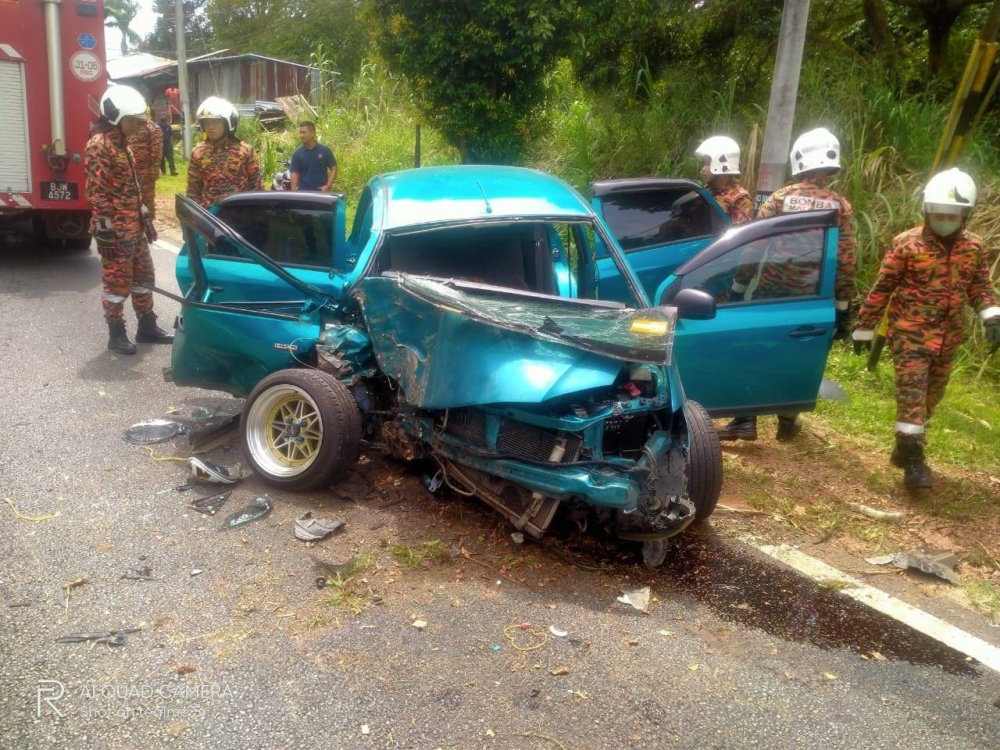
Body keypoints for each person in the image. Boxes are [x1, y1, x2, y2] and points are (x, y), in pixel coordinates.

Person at [853, 169, 1000, 489]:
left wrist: (992, 315)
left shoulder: (974, 247)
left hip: (949, 338)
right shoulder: (906, 244)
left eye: (952, 214)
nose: (943, 219)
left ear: (965, 214)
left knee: (932, 397)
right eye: (938, 213)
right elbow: (883, 287)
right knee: (912, 397)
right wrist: (864, 327)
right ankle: (914, 461)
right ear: (926, 211)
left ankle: (904, 446)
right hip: (910, 335)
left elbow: (980, 287)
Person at [717, 127, 856, 443]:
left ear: (799, 160)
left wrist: (740, 285)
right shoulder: (840, 206)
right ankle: (788, 420)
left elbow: (755, 245)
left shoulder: (780, 199)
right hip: (812, 295)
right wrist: (843, 306)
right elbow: (846, 260)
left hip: (772, 293)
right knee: (799, 356)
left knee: (756, 350)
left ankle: (745, 418)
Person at [85, 85, 173, 355]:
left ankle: (146, 327)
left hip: (134, 226)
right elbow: (96, 193)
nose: (136, 126)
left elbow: (133, 187)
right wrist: (104, 232)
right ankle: (116, 333)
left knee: (144, 276)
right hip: (116, 230)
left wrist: (145, 217)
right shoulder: (99, 146)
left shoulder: (123, 145)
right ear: (116, 117)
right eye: (132, 121)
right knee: (116, 283)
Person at [186, 96, 262, 209]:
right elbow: (193, 189)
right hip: (210, 215)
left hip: (240, 212)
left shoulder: (245, 151)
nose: (210, 127)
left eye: (215, 122)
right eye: (206, 123)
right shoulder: (198, 153)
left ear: (227, 124)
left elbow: (257, 186)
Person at [694, 135, 753, 225]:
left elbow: (740, 234)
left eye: (707, 164)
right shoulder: (703, 192)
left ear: (720, 165)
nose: (702, 169)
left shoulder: (740, 198)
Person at [128, 114, 163, 219]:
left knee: (146, 200)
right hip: (129, 171)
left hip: (145, 172)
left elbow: (156, 152)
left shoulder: (152, 128)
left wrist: (152, 171)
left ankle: (148, 226)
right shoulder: (130, 125)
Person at [290, 121, 337, 191]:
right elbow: (295, 173)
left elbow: (333, 168)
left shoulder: (325, 151)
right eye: (300, 133)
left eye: (304, 132)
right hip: (304, 193)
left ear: (313, 133)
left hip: (322, 193)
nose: (301, 135)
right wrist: (293, 192)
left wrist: (328, 186)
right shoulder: (297, 154)